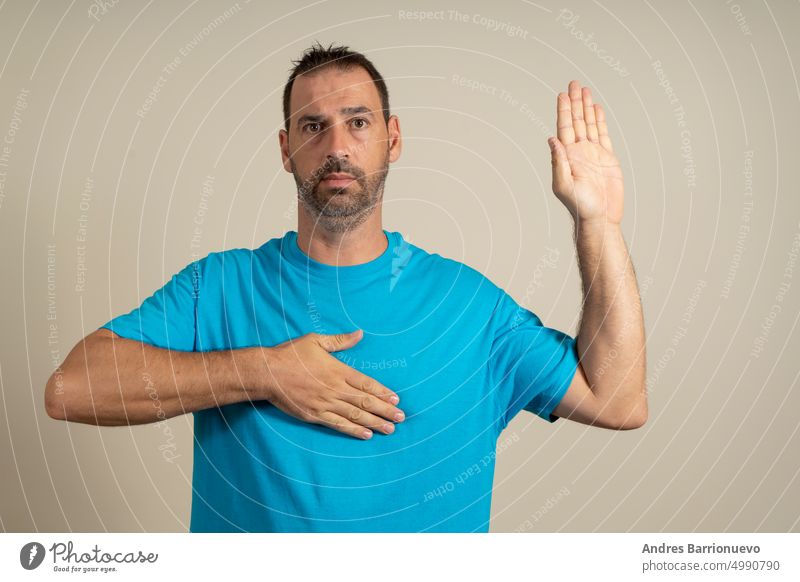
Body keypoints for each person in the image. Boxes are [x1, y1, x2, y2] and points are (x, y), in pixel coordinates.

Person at [45, 41, 647, 532]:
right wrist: (262, 373)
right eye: (313, 126)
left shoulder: (468, 305)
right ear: (286, 150)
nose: (336, 147)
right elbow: (70, 389)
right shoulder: (221, 286)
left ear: (393, 138)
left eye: (358, 123)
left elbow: (617, 400)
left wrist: (598, 224)